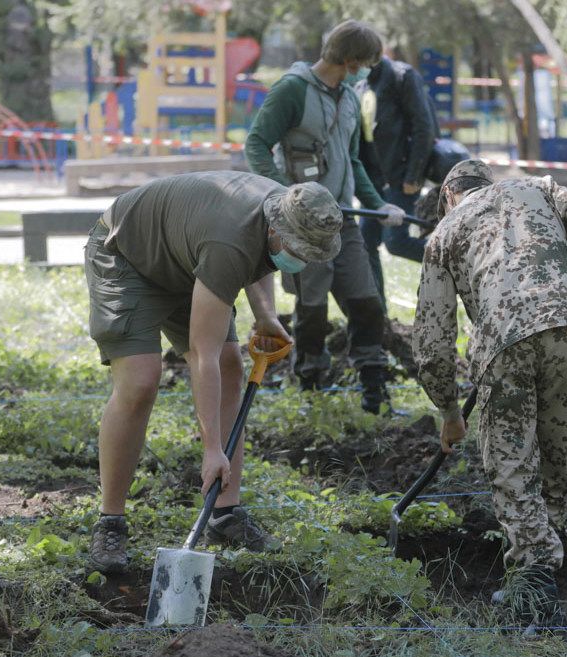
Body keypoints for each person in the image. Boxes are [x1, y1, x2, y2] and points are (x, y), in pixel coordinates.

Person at [85, 172, 344, 574]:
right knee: (141, 380)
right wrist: (211, 451)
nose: (301, 257)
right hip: (127, 255)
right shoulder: (229, 239)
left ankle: (225, 515)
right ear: (277, 227)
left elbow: (257, 256)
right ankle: (111, 522)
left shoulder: (282, 210)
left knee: (231, 364)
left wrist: (265, 314)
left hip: (190, 261)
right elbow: (199, 354)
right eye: (297, 248)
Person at [412, 160, 567, 627]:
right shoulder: (536, 188)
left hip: (504, 343)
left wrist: (447, 410)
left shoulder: (444, 233)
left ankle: (534, 587)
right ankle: (549, 547)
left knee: (512, 463)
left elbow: (432, 341)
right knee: (552, 451)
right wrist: (551, 270)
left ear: (449, 198)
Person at [245, 20, 406, 413]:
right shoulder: (292, 90)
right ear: (351, 60)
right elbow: (256, 145)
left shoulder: (350, 97)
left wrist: (378, 203)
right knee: (312, 308)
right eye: (367, 62)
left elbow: (352, 160)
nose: (370, 69)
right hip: (301, 226)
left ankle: (374, 393)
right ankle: (311, 389)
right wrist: (286, 196)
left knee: (367, 302)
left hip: (342, 220)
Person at [357, 54, 437, 308]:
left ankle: (460, 258)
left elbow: (424, 126)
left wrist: (413, 175)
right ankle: (377, 315)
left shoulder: (402, 77)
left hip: (402, 178)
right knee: (364, 243)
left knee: (396, 242)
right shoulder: (361, 86)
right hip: (374, 183)